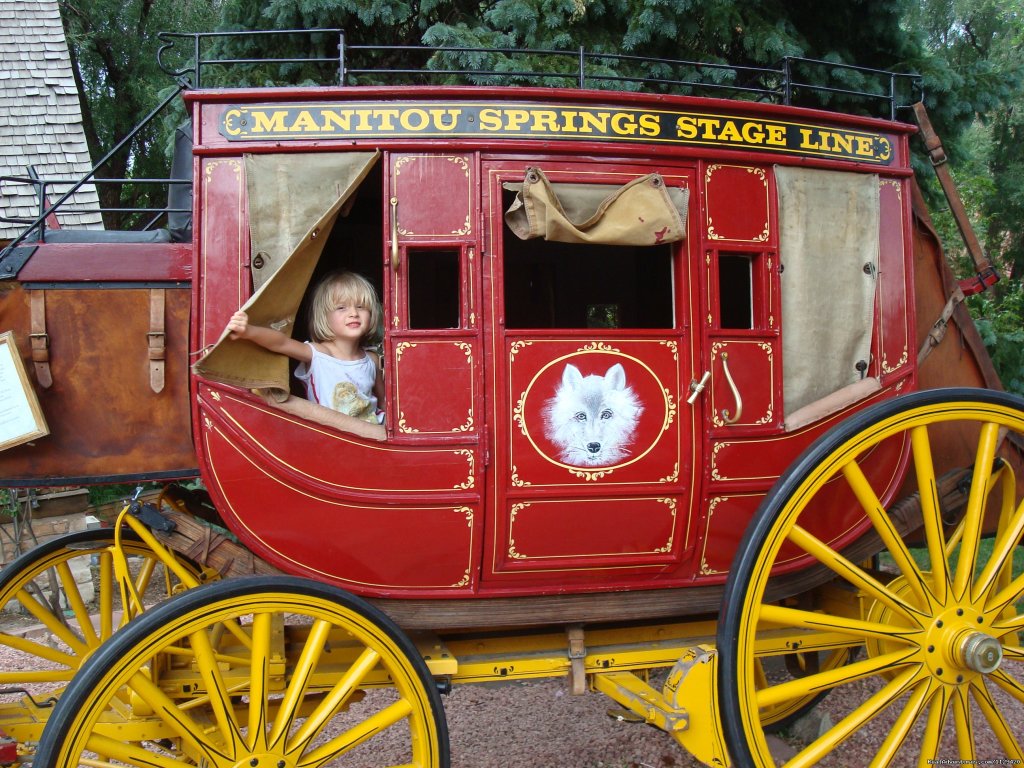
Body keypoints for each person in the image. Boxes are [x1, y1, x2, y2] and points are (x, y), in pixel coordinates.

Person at [226, 271, 385, 426]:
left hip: (374, 432)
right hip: (336, 437)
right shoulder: (319, 354)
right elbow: (281, 343)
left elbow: (384, 401)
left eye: (361, 306)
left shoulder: (372, 359)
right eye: (341, 307)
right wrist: (248, 331)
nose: (354, 313)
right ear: (324, 317)